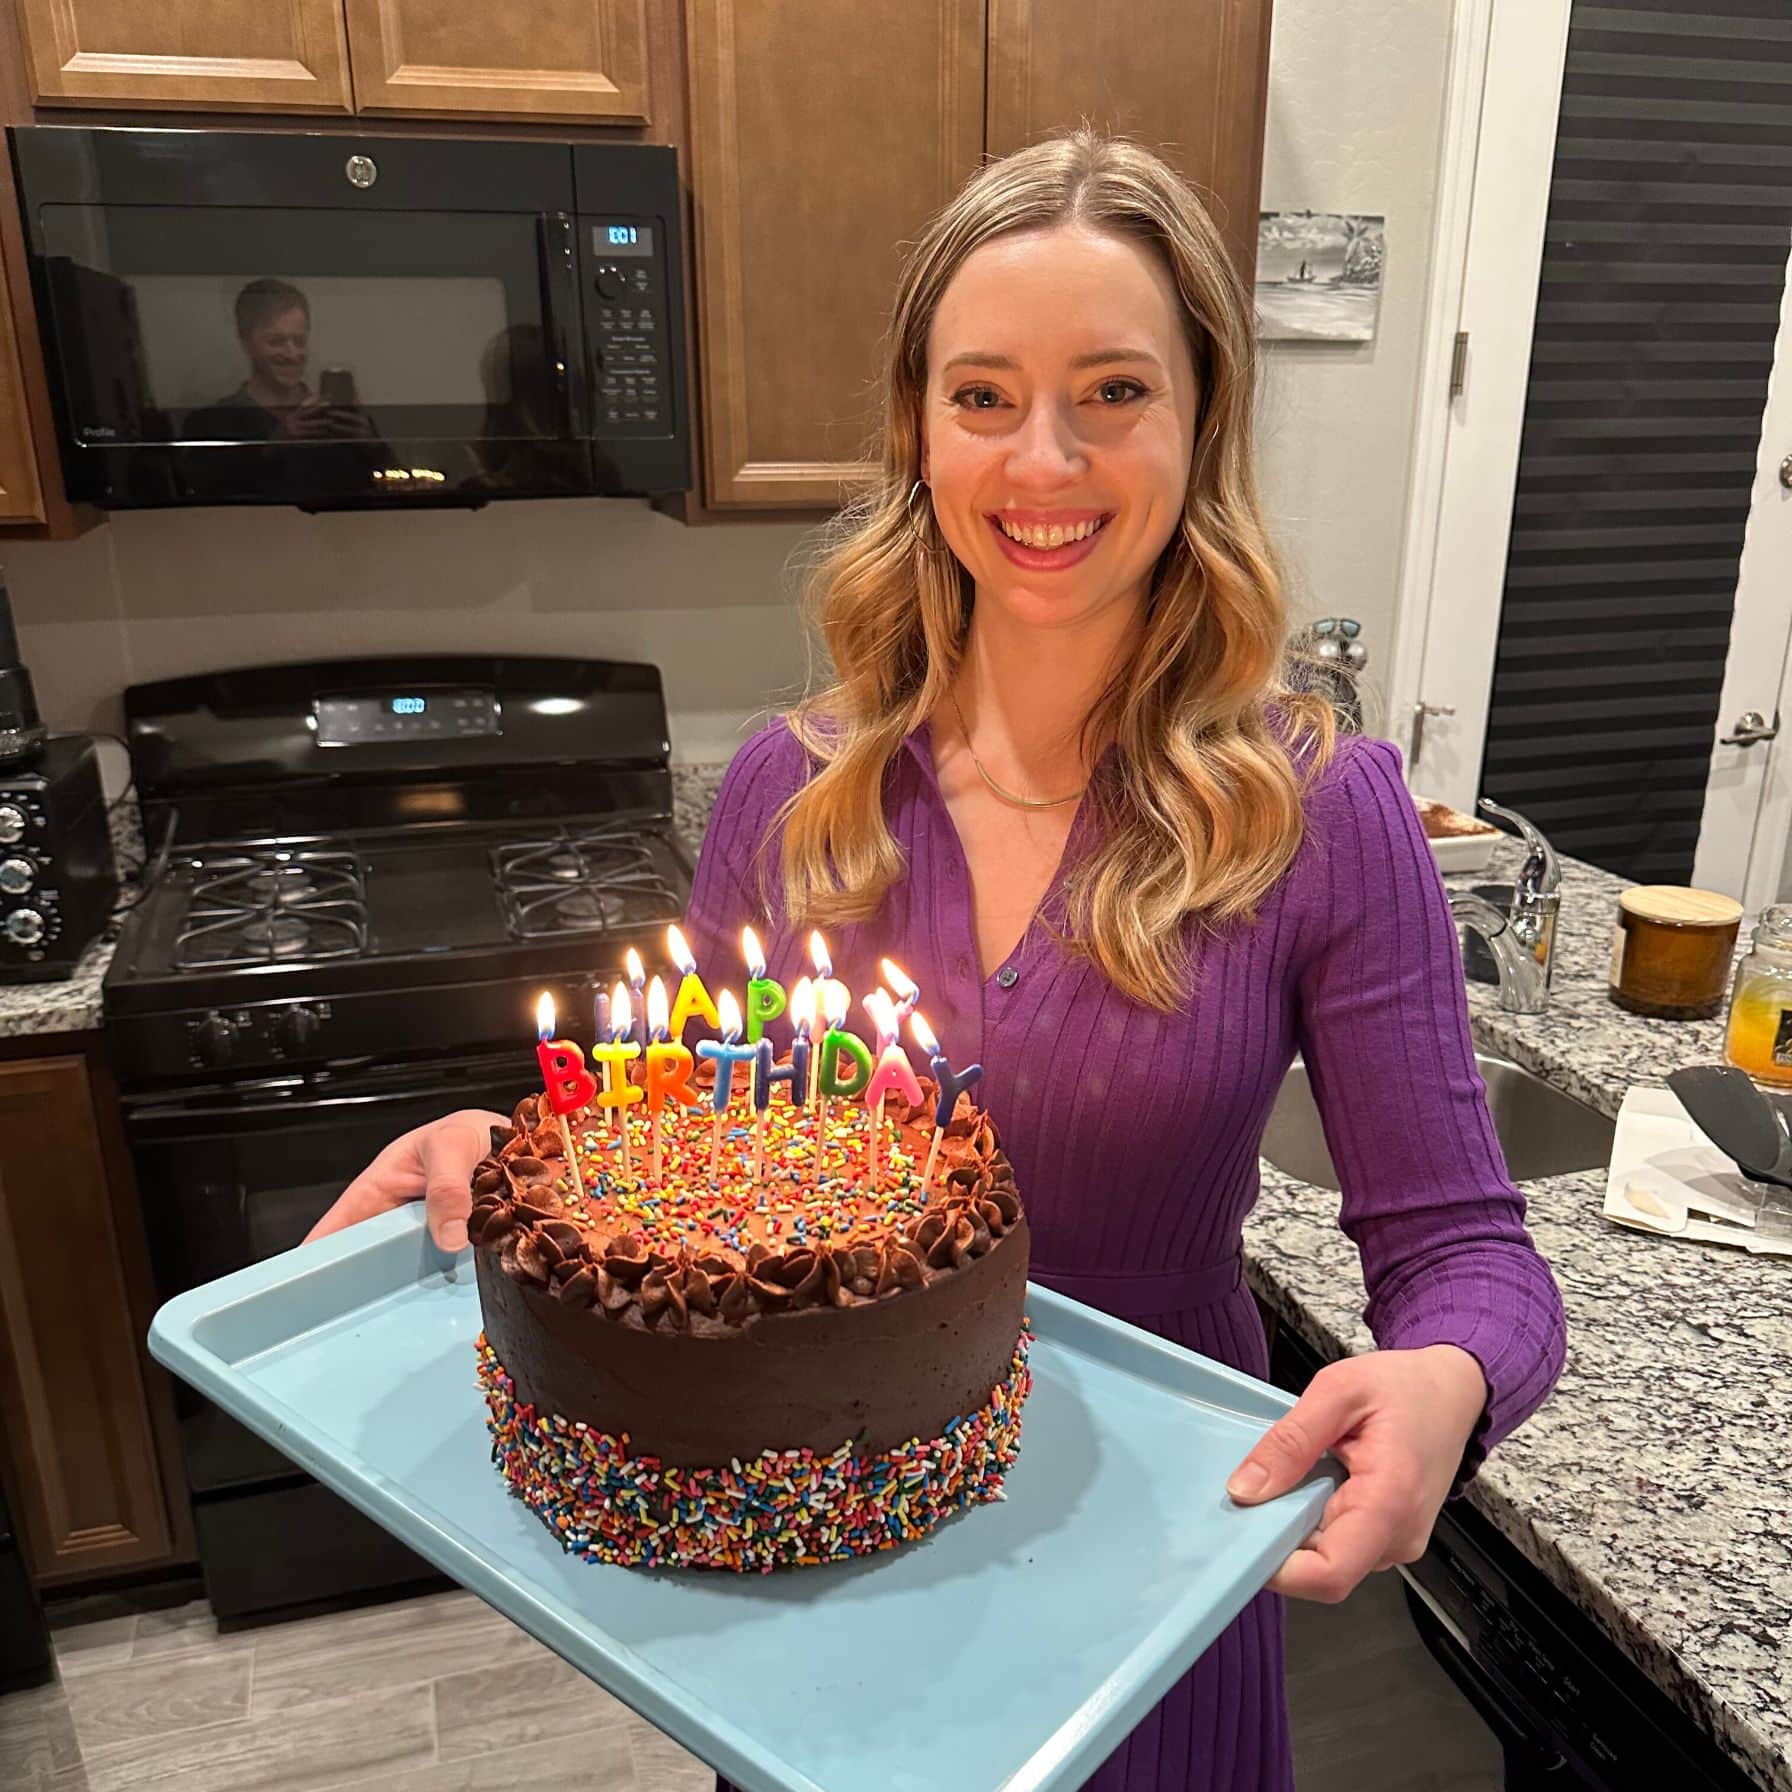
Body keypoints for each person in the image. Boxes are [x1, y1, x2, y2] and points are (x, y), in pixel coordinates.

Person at [308, 126, 1566, 1791]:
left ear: (1200, 420)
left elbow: (1470, 1251)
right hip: (807, 1583)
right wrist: (532, 1169)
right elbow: (682, 1151)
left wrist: (1449, 1373)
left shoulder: (1319, 811)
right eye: (982, 395)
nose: (1041, 460)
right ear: (916, 425)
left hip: (1146, 1576)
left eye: (1111, 390)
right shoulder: (793, 790)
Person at [182, 277, 373, 443]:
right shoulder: (212, 423)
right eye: (276, 341)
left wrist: (371, 444)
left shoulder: (333, 418)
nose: (292, 354)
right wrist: (276, 445)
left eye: (299, 341)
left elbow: (394, 478)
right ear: (246, 342)